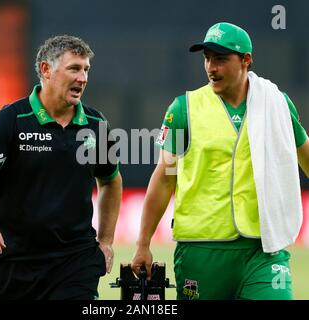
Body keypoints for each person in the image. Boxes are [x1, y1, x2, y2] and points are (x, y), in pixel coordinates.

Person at [131, 22, 309, 300]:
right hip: (201, 252)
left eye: (221, 59)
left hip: (263, 249)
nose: (211, 67)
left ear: (246, 60)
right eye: (207, 58)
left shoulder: (277, 104)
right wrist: (143, 243)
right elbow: (165, 179)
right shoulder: (183, 109)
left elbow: (306, 156)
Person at [0, 35, 122, 300]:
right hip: (12, 264)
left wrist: (106, 241)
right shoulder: (12, 119)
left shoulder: (95, 123)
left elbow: (111, 180)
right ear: (46, 70)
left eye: (86, 69)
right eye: (74, 69)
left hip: (75, 263)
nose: (83, 78)